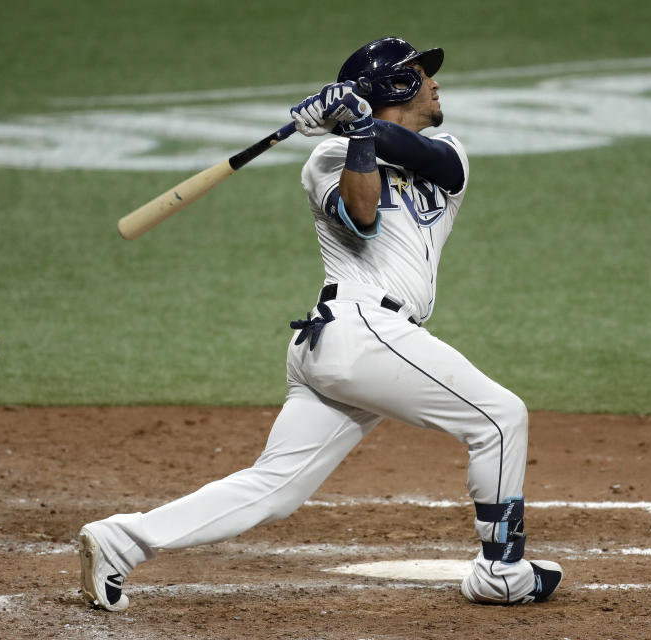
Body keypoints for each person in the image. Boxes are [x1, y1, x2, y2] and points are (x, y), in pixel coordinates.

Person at [78, 36, 562, 610]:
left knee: (275, 489)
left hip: (351, 343)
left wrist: (359, 124)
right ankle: (503, 573)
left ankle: (122, 540)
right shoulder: (326, 161)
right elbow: (362, 220)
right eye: (420, 73)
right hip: (359, 332)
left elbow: (431, 160)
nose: (435, 82)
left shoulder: (447, 151)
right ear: (394, 86)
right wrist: (353, 133)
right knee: (501, 418)